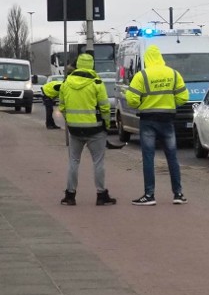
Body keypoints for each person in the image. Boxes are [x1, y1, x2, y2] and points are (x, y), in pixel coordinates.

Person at [126, 44, 189, 205]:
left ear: (147, 59)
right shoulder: (173, 74)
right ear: (161, 58)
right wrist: (170, 104)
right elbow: (183, 97)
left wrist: (142, 105)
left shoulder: (142, 76)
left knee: (148, 157)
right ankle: (178, 194)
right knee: (172, 157)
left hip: (148, 120)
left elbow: (131, 99)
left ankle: (149, 195)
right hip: (167, 119)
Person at [57, 54, 116, 206]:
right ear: (91, 65)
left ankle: (70, 195)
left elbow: (62, 106)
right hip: (95, 130)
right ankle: (101, 194)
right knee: (98, 162)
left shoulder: (66, 83)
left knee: (73, 161)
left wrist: (70, 121)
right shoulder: (97, 83)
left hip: (75, 130)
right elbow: (105, 107)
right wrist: (107, 125)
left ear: (78, 65)